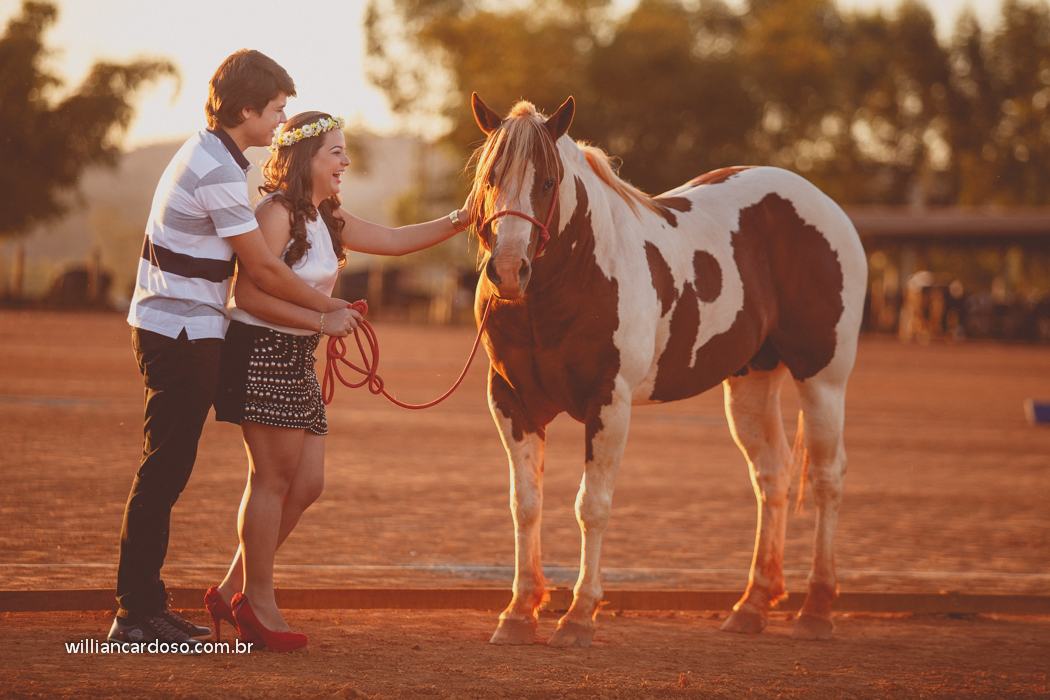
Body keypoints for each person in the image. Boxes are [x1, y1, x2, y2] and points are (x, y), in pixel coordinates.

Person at [109, 51, 359, 647]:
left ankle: (143, 607)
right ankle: (136, 614)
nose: (280, 122)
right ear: (246, 108)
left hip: (182, 328)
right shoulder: (218, 170)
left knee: (165, 469)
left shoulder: (211, 154)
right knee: (164, 471)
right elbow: (264, 272)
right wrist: (328, 312)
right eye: (275, 110)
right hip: (180, 333)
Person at [205, 110, 471, 652]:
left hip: (298, 356)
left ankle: (233, 588)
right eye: (336, 152)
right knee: (271, 481)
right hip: (263, 352)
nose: (346, 161)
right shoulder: (276, 212)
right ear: (307, 158)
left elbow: (395, 239)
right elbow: (248, 296)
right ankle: (256, 603)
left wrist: (464, 218)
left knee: (306, 485)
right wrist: (323, 320)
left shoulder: (327, 217)